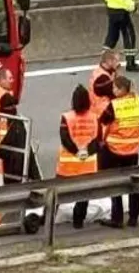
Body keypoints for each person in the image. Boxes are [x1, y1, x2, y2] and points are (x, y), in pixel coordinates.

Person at [97, 75, 139, 228]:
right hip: (133, 149)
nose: (113, 90)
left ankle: (117, 218)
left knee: (115, 184)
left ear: (122, 89)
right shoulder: (138, 100)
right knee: (133, 184)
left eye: (115, 88)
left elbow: (103, 120)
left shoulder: (114, 105)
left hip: (115, 149)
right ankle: (134, 217)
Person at [57, 85, 100, 229]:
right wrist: (87, 151)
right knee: (84, 194)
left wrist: (76, 151)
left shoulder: (67, 117)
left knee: (57, 193)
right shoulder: (94, 117)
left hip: (68, 164)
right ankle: (78, 221)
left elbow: (65, 138)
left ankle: (48, 217)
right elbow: (98, 140)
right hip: (87, 164)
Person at [88, 50, 120, 118]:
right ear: (109, 61)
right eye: (116, 61)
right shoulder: (103, 79)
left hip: (97, 110)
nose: (118, 64)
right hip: (103, 113)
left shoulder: (99, 71)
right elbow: (117, 93)